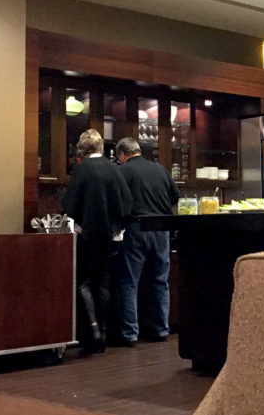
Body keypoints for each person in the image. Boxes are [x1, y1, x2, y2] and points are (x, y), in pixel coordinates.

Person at [62, 129, 132, 354]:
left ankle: (91, 330)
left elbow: (70, 205)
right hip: (113, 236)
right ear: (101, 147)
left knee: (83, 281)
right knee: (103, 282)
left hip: (88, 235)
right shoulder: (114, 169)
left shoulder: (81, 170)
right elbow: (126, 202)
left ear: (83, 148)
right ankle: (103, 331)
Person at [113, 137, 180, 346]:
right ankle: (161, 330)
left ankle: (130, 334)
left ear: (122, 154)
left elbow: (116, 203)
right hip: (161, 229)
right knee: (160, 282)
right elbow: (175, 198)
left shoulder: (122, 172)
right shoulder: (160, 170)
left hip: (136, 229)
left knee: (129, 283)